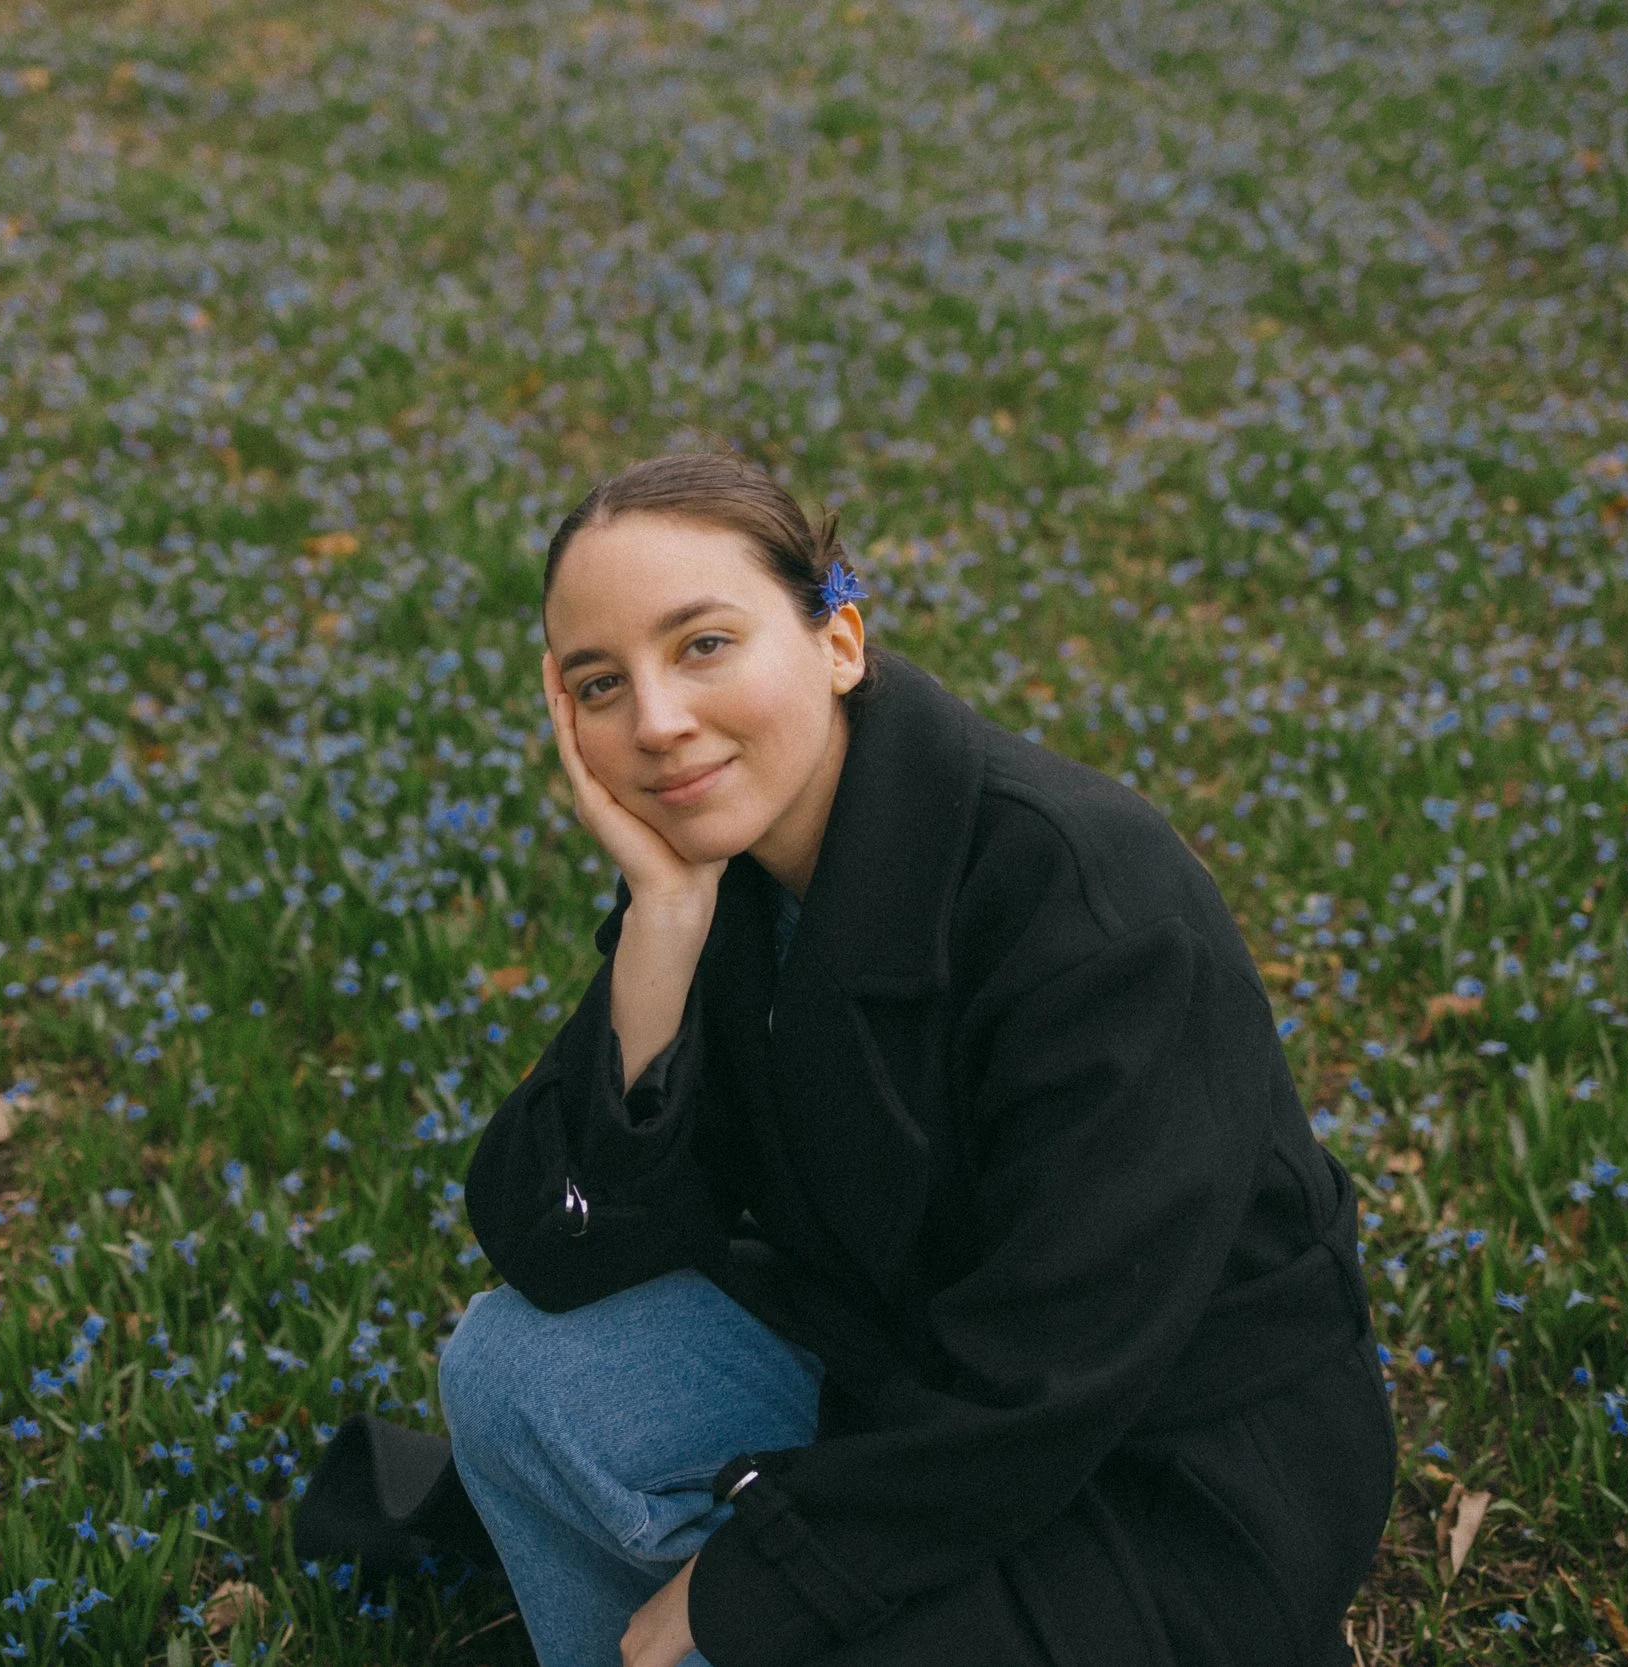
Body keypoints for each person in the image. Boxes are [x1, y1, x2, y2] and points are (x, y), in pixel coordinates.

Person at [441, 451, 1394, 1667]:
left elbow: (1053, 1374)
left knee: (734, 1635)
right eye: (598, 681)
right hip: (901, 1376)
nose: (658, 719)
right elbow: (552, 1241)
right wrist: (659, 932)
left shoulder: (1085, 903)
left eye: (703, 644)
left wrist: (757, 1579)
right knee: (511, 1375)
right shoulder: (723, 876)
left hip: (1163, 1469)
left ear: (839, 641)